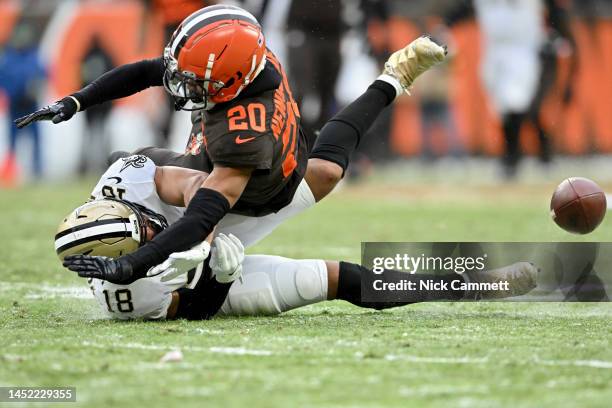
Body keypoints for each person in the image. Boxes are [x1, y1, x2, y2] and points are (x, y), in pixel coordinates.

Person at [17, 4, 449, 285]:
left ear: (232, 83)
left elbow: (204, 211)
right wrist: (78, 100)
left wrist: (135, 262)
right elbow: (150, 70)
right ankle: (124, 200)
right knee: (136, 168)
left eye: (196, 82)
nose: (182, 86)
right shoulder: (242, 52)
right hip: (257, 162)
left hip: (254, 182)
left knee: (324, 172)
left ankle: (394, 76)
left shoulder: (241, 131)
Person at [54, 154, 539, 320]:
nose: (152, 233)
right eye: (145, 238)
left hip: (205, 222)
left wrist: (199, 236)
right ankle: (481, 281)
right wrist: (219, 274)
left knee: (309, 177)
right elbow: (195, 309)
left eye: (145, 222)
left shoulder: (125, 179)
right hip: (202, 284)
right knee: (331, 279)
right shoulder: (125, 295)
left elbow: (193, 186)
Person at [0, 20, 47, 184]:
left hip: (31, 105)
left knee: (36, 140)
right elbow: (3, 79)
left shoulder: (34, 55)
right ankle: (11, 172)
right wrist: (15, 93)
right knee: (12, 141)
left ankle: (37, 171)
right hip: (15, 105)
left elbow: (43, 74)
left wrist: (34, 89)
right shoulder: (8, 57)